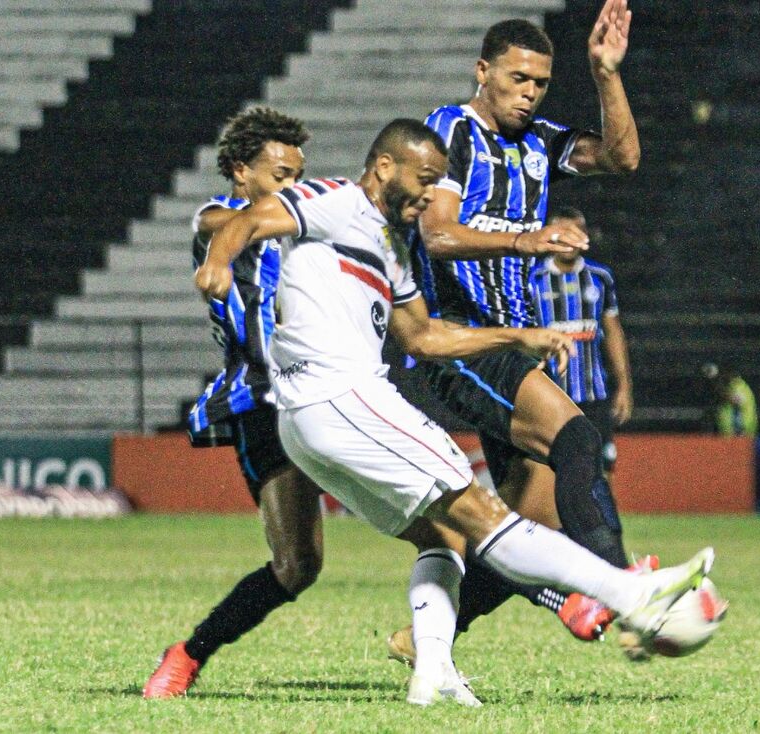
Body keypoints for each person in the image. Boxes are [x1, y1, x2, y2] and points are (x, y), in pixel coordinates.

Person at [195, 117, 716, 705]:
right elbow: (251, 217)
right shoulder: (335, 199)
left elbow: (424, 338)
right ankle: (631, 594)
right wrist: (218, 261)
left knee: (446, 535)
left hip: (308, 420)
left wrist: (515, 338)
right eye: (423, 179)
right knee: (485, 515)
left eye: (439, 182)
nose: (429, 194)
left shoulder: (392, 250)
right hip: (342, 397)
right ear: (385, 167)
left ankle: (433, 668)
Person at [407, 4, 643, 648]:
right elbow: (437, 234)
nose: (529, 93)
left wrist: (605, 74)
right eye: (517, 79)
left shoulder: (539, 141)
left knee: (526, 518)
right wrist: (527, 239)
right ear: (483, 72)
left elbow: (621, 159)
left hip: (515, 340)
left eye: (539, 82)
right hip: (457, 338)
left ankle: (422, 636)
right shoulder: (450, 129)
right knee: (576, 441)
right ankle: (625, 588)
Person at [144, 108, 326, 699]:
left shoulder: (303, 223)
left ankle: (436, 637)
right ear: (241, 171)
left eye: (300, 176)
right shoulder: (219, 220)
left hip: (331, 393)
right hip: (262, 401)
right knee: (298, 566)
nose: (293, 189)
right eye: (280, 175)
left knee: (430, 512)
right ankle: (188, 654)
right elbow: (223, 224)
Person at [527, 206, 633, 480]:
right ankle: (554, 524)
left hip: (593, 394)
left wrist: (623, 385)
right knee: (549, 468)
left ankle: (601, 523)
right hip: (548, 394)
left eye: (576, 233)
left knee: (602, 466)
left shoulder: (600, 277)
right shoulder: (533, 279)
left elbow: (613, 333)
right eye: (563, 233)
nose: (570, 240)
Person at [703, 362, 758, 436]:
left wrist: (721, 392)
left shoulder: (737, 385)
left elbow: (737, 400)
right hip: (731, 430)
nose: (722, 376)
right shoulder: (731, 386)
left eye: (723, 373)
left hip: (739, 428)